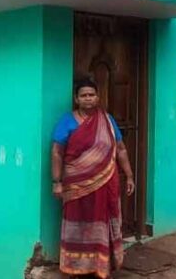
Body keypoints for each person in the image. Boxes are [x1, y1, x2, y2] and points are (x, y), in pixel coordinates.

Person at [51, 79, 135, 279]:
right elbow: (56, 152)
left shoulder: (107, 120)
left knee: (103, 220)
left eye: (91, 95)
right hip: (76, 185)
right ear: (76, 99)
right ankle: (76, 267)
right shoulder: (67, 121)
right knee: (78, 221)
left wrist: (130, 175)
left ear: (97, 97)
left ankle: (102, 266)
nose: (88, 98)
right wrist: (56, 182)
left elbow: (121, 149)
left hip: (106, 182)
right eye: (83, 95)